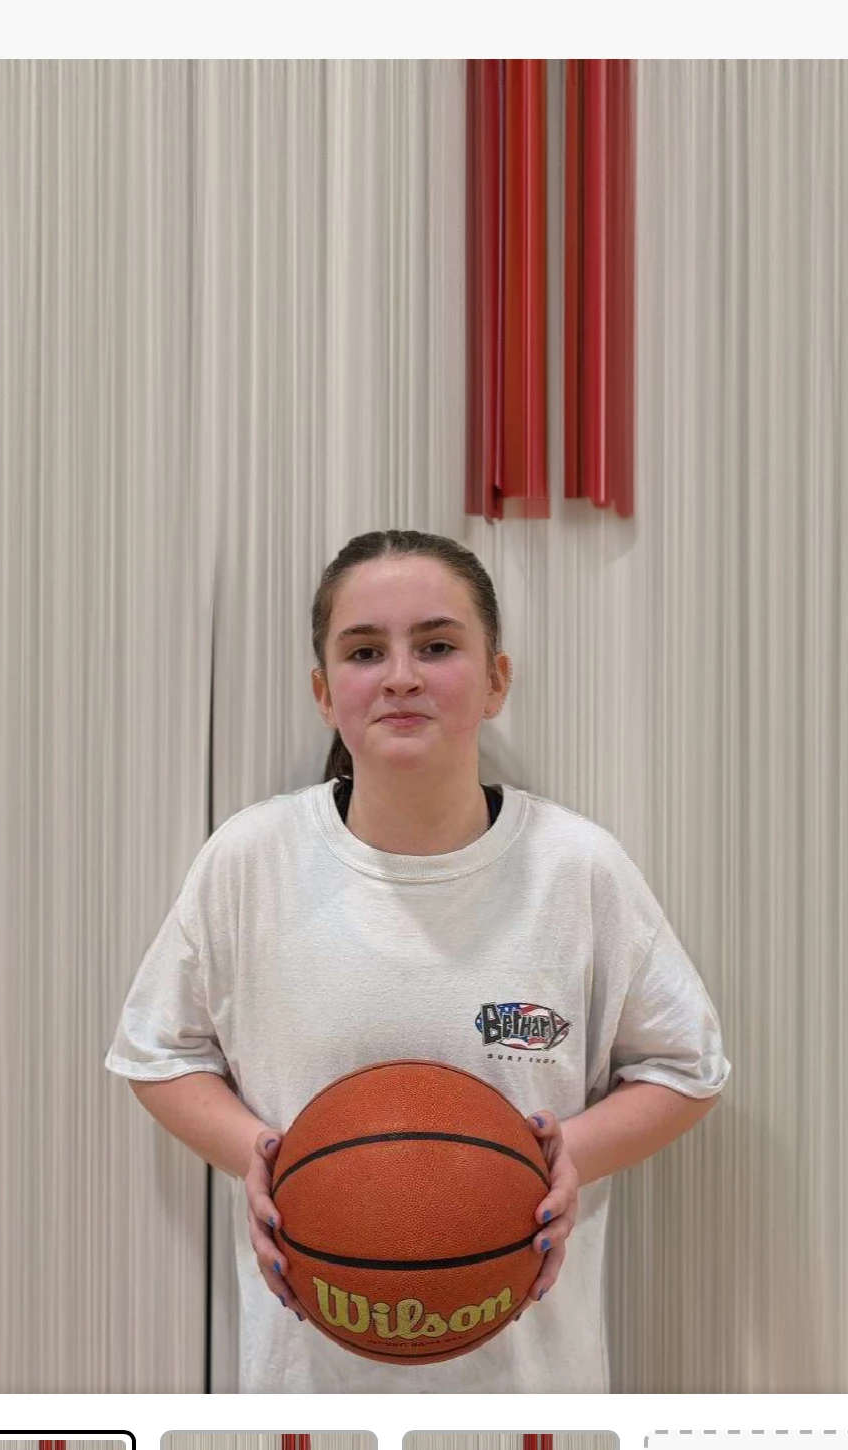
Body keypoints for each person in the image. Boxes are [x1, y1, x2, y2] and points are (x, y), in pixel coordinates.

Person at [105, 528, 730, 1392]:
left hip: (528, 1393)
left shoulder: (576, 868)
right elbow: (156, 1052)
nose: (400, 676)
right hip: (311, 1391)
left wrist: (570, 1154)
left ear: (496, 680)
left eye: (437, 646)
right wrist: (263, 1155)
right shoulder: (252, 860)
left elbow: (688, 1067)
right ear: (324, 693)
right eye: (365, 652)